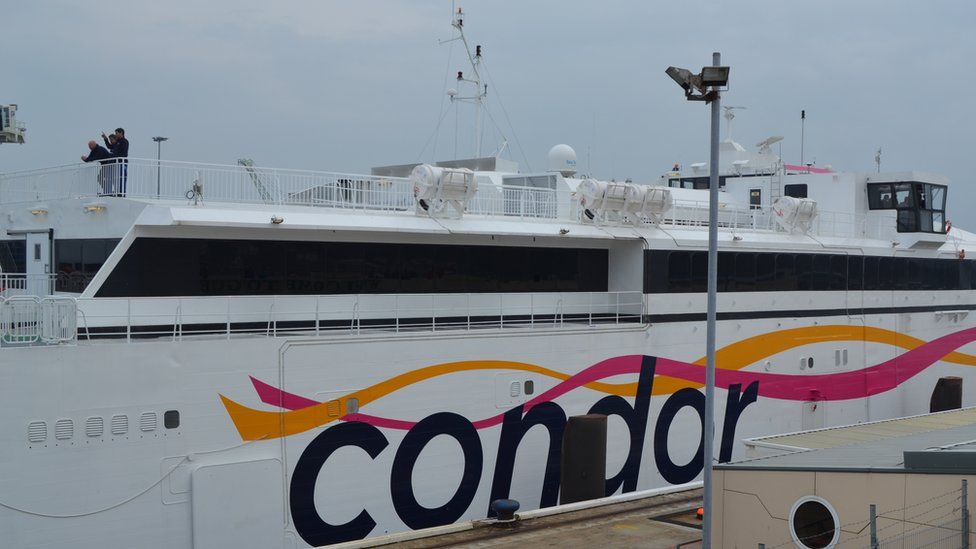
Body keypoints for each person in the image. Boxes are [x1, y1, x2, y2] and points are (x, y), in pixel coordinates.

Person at [102, 127, 129, 195]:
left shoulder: (124, 141)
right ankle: (117, 192)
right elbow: (110, 146)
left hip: (122, 163)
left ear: (121, 133)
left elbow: (124, 153)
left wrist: (114, 156)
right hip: (117, 163)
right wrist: (105, 139)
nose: (115, 134)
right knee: (116, 178)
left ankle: (121, 193)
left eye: (116, 133)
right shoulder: (117, 142)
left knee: (121, 178)